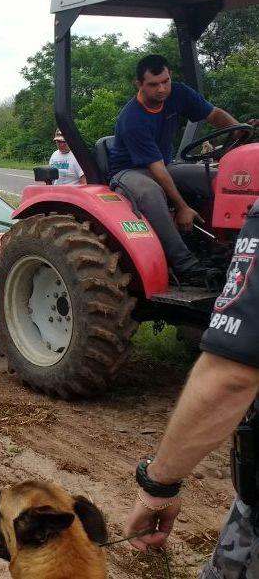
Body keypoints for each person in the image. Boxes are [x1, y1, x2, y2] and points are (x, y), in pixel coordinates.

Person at [124, 199, 259, 577]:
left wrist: (158, 484)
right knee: (154, 190)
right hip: (136, 177)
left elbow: (232, 375)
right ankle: (184, 261)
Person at [108, 54, 248, 287]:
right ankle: (186, 266)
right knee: (150, 193)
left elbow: (213, 114)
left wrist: (237, 129)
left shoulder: (179, 93)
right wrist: (183, 207)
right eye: (153, 84)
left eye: (166, 81)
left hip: (165, 164)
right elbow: (156, 170)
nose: (162, 89)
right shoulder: (132, 118)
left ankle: (226, 246)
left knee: (219, 179)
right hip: (130, 170)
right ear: (139, 85)